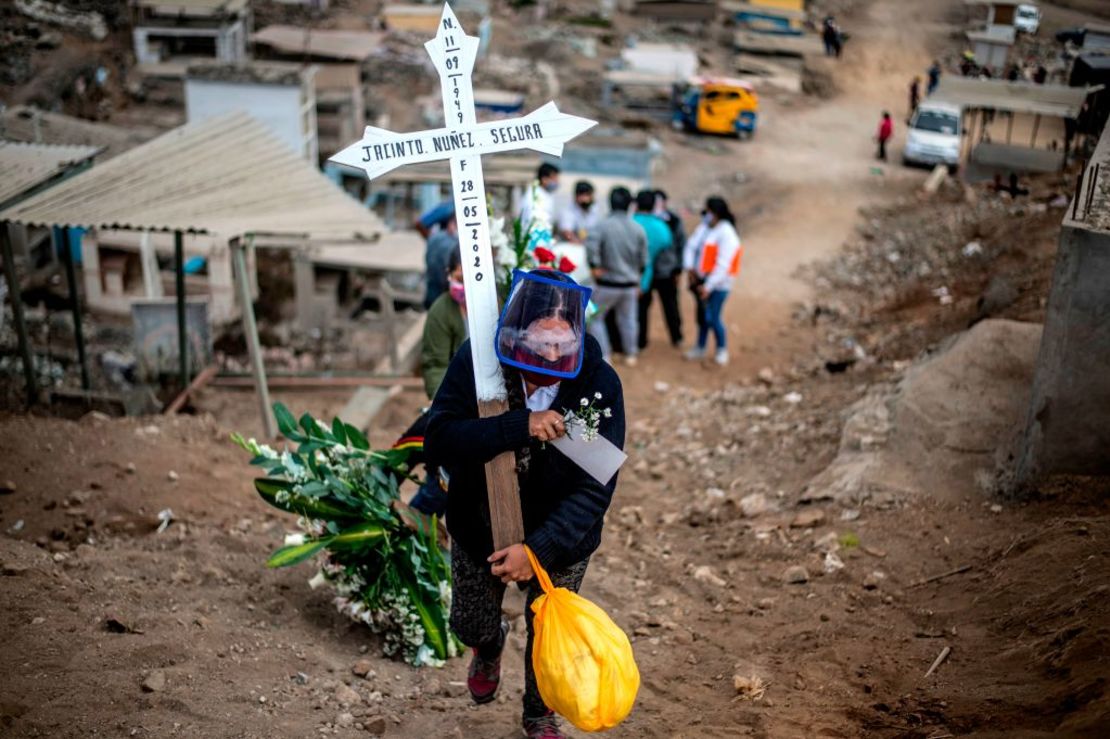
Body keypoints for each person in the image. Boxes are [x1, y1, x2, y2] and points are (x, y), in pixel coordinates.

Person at [425, 269, 625, 739]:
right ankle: (489, 644)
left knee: (550, 630)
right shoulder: (478, 364)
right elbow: (439, 441)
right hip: (480, 524)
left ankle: (539, 714)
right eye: (540, 345)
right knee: (470, 623)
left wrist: (536, 550)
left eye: (563, 345)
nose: (552, 357)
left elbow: (596, 488)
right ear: (515, 333)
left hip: (562, 536)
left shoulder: (597, 383)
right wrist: (519, 424)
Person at [585, 187, 648, 366]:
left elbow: (591, 248)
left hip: (607, 283)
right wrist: (638, 278)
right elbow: (644, 259)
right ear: (630, 205)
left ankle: (605, 355)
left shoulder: (603, 226)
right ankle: (631, 354)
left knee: (596, 319)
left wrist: (595, 266)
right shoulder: (638, 228)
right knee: (628, 319)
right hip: (630, 283)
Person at [683, 197, 742, 366]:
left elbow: (723, 265)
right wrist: (690, 268)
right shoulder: (705, 228)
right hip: (702, 280)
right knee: (703, 316)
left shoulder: (727, 234)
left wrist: (708, 286)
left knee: (712, 317)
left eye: (708, 211)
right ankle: (700, 347)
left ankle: (721, 349)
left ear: (715, 214)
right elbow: (691, 246)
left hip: (719, 284)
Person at [632, 190, 681, 349]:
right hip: (663, 274)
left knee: (641, 309)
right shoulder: (662, 226)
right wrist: (674, 271)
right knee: (670, 305)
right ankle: (677, 337)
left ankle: (640, 341)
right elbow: (670, 247)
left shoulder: (631, 222)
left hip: (637, 276)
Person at [424, 211, 458, 308]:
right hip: (442, 289)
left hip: (430, 284)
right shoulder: (452, 243)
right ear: (451, 224)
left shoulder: (433, 237)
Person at [518, 163, 560, 229]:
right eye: (554, 179)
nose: (557, 182)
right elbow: (533, 221)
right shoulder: (533, 195)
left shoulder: (547, 193)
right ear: (544, 179)